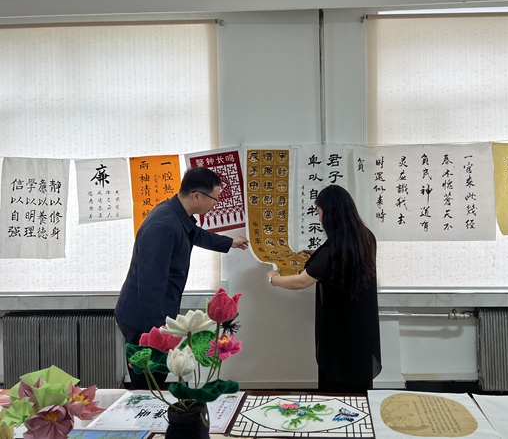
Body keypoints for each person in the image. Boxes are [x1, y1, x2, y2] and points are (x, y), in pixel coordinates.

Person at [115, 166, 249, 389]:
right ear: (197, 196)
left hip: (154, 311)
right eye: (214, 199)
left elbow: (195, 234)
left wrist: (229, 243)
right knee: (148, 385)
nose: (215, 204)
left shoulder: (175, 213)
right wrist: (159, 333)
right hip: (144, 318)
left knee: (154, 380)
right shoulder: (163, 226)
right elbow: (150, 286)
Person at [267, 184, 382, 393]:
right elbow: (345, 263)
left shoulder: (333, 248)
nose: (319, 219)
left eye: (319, 213)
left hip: (340, 327)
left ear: (330, 214)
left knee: (338, 382)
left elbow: (301, 281)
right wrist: (317, 256)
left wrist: (274, 279)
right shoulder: (366, 237)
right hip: (362, 324)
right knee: (359, 381)